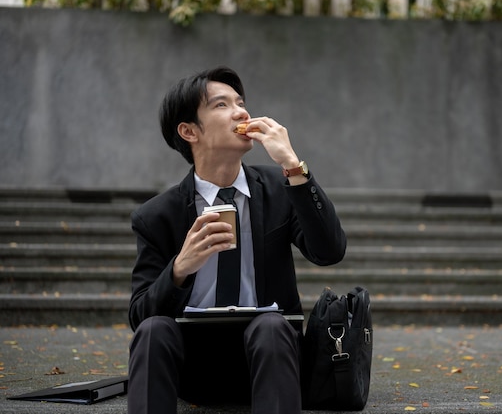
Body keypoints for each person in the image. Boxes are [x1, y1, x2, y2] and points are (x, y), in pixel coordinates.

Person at [126, 66, 347, 414]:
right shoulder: (157, 216)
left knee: (273, 326)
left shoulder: (280, 189)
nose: (242, 112)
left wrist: (292, 164)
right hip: (192, 371)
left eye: (241, 102)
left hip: (272, 359)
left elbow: (330, 251)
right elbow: (140, 317)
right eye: (221, 105)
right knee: (154, 330)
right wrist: (179, 269)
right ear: (188, 131)